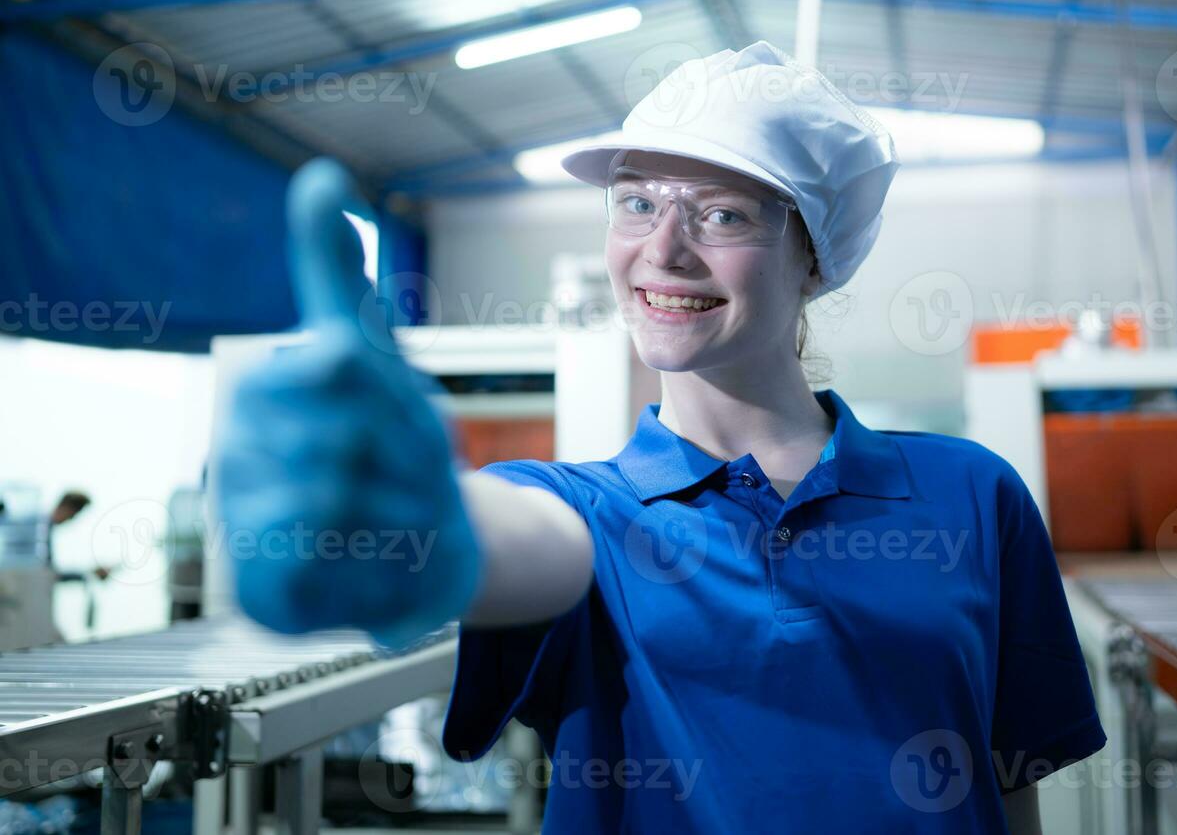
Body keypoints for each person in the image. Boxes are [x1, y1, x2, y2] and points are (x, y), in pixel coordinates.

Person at [215, 41, 1105, 833]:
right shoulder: (583, 511)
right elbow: (507, 541)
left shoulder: (972, 497)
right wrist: (414, 535)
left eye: (722, 214)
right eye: (635, 203)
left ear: (814, 257)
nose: (664, 249)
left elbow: (1009, 786)